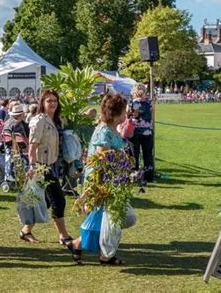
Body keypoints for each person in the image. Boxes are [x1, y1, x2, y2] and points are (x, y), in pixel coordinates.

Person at [67, 94, 136, 265]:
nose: (126, 114)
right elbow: (102, 157)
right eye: (123, 112)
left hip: (113, 180)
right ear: (115, 113)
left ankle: (79, 244)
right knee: (114, 218)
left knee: (105, 219)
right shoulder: (104, 131)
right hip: (102, 182)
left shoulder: (112, 129)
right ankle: (106, 255)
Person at [24, 90, 72, 244]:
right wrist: (31, 166)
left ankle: (26, 231)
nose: (52, 103)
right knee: (58, 200)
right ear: (42, 103)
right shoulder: (39, 121)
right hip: (41, 166)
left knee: (44, 202)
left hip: (52, 164)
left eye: (55, 100)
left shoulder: (56, 120)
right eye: (48, 101)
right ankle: (63, 236)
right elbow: (32, 146)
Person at [128, 84, 154, 182]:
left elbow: (131, 115)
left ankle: (135, 176)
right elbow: (151, 115)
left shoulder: (133, 103)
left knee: (134, 154)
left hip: (135, 130)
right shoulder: (149, 103)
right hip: (148, 131)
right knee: (148, 155)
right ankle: (149, 176)